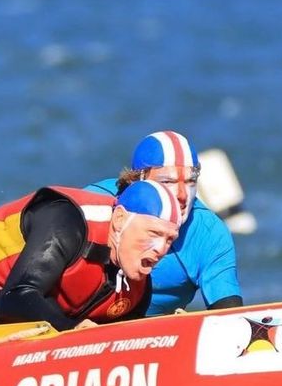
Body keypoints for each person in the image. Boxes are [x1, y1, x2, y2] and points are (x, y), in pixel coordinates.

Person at [0, 181, 182, 332]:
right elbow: (17, 298)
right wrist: (72, 330)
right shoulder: (68, 222)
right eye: (153, 233)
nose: (161, 249)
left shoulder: (136, 283)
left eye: (170, 239)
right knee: (29, 312)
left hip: (29, 309)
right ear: (120, 219)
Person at [86, 130, 243, 314]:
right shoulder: (94, 205)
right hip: (79, 321)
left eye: (191, 182)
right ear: (136, 182)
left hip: (156, 329)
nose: (182, 195)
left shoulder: (209, 233)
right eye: (167, 182)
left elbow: (230, 317)